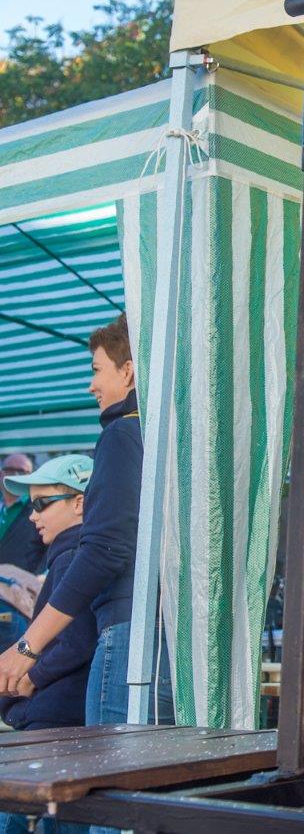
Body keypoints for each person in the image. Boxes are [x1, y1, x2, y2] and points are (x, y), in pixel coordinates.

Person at [0, 315, 172, 725]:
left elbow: (105, 552)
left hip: (130, 632)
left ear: (128, 370)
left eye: (97, 370)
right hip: (166, 633)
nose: (91, 384)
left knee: (114, 777)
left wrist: (27, 648)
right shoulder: (164, 435)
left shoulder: (122, 433)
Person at [0, 456, 96, 834]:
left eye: (43, 503)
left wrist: (29, 678)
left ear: (79, 502)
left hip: (58, 718)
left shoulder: (74, 556)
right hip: (59, 714)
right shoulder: (69, 554)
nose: (33, 514)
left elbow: (78, 639)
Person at [0, 453, 46, 574]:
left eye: (21, 471)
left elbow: (50, 554)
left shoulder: (41, 509)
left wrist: (35, 581)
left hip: (22, 589)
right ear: (1, 474)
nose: (15, 475)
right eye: (9, 470)